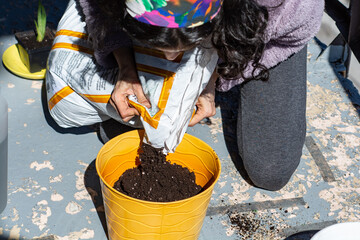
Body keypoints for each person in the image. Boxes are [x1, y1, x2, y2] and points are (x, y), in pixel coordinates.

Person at [46, 0, 324, 190]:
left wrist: (218, 76)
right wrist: (126, 67)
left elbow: (295, 35)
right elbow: (95, 6)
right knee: (131, 123)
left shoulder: (286, 7)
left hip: (262, 30)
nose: (172, 56)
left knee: (271, 171)